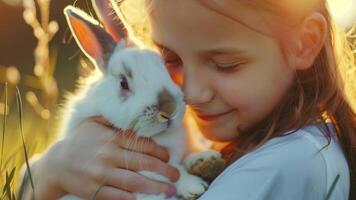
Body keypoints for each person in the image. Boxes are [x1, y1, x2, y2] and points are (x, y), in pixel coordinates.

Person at [20, 0, 356, 199]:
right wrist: (53, 168)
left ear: (303, 43)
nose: (190, 93)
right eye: (170, 59)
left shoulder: (285, 165)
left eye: (225, 65)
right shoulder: (262, 141)